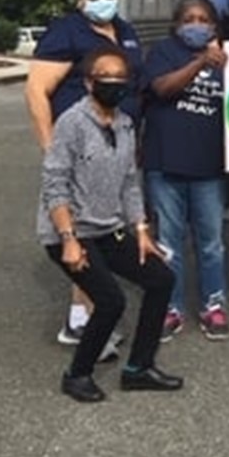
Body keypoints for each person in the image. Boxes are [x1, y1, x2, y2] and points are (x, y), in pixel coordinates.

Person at [38, 47, 183, 402]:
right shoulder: (72, 123)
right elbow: (54, 183)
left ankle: (139, 368)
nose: (115, 85)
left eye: (122, 80)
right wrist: (69, 239)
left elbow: (130, 183)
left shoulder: (124, 124)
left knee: (161, 279)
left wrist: (142, 231)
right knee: (110, 301)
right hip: (71, 232)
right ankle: (77, 374)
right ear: (89, 83)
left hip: (109, 228)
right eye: (106, 79)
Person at [25, 0, 144, 356]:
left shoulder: (125, 32)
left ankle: (89, 314)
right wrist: (50, 147)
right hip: (77, 149)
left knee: (100, 231)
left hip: (114, 148)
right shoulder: (66, 32)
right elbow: (37, 91)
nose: (102, 0)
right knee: (80, 232)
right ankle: (80, 321)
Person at [140, 0, 229, 342]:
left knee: (211, 244)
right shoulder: (162, 51)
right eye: (189, 19)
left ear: (214, 26)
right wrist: (200, 63)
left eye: (204, 19)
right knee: (168, 244)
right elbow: (162, 88)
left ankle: (214, 305)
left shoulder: (228, 58)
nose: (196, 24)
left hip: (210, 166)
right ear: (177, 24)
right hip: (165, 164)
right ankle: (171, 308)